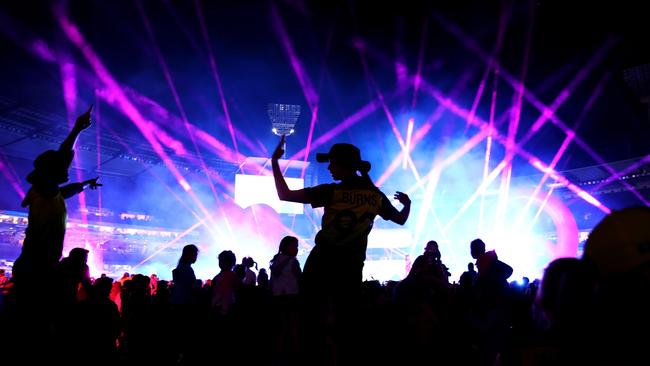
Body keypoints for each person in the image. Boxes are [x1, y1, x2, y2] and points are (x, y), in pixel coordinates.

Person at [271, 135, 411, 363]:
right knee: (345, 322)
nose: (329, 167)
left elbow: (284, 194)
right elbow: (401, 219)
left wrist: (275, 162)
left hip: (322, 264)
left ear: (344, 165)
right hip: (351, 267)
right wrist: (408, 205)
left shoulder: (331, 192)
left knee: (314, 319)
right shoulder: (375, 195)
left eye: (333, 163)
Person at [11, 105, 102, 307]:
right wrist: (77, 130)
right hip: (35, 268)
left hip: (38, 265)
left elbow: (66, 191)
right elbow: (63, 156)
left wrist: (86, 184)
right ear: (50, 172)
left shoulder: (48, 193)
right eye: (61, 167)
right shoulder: (44, 189)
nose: (68, 168)